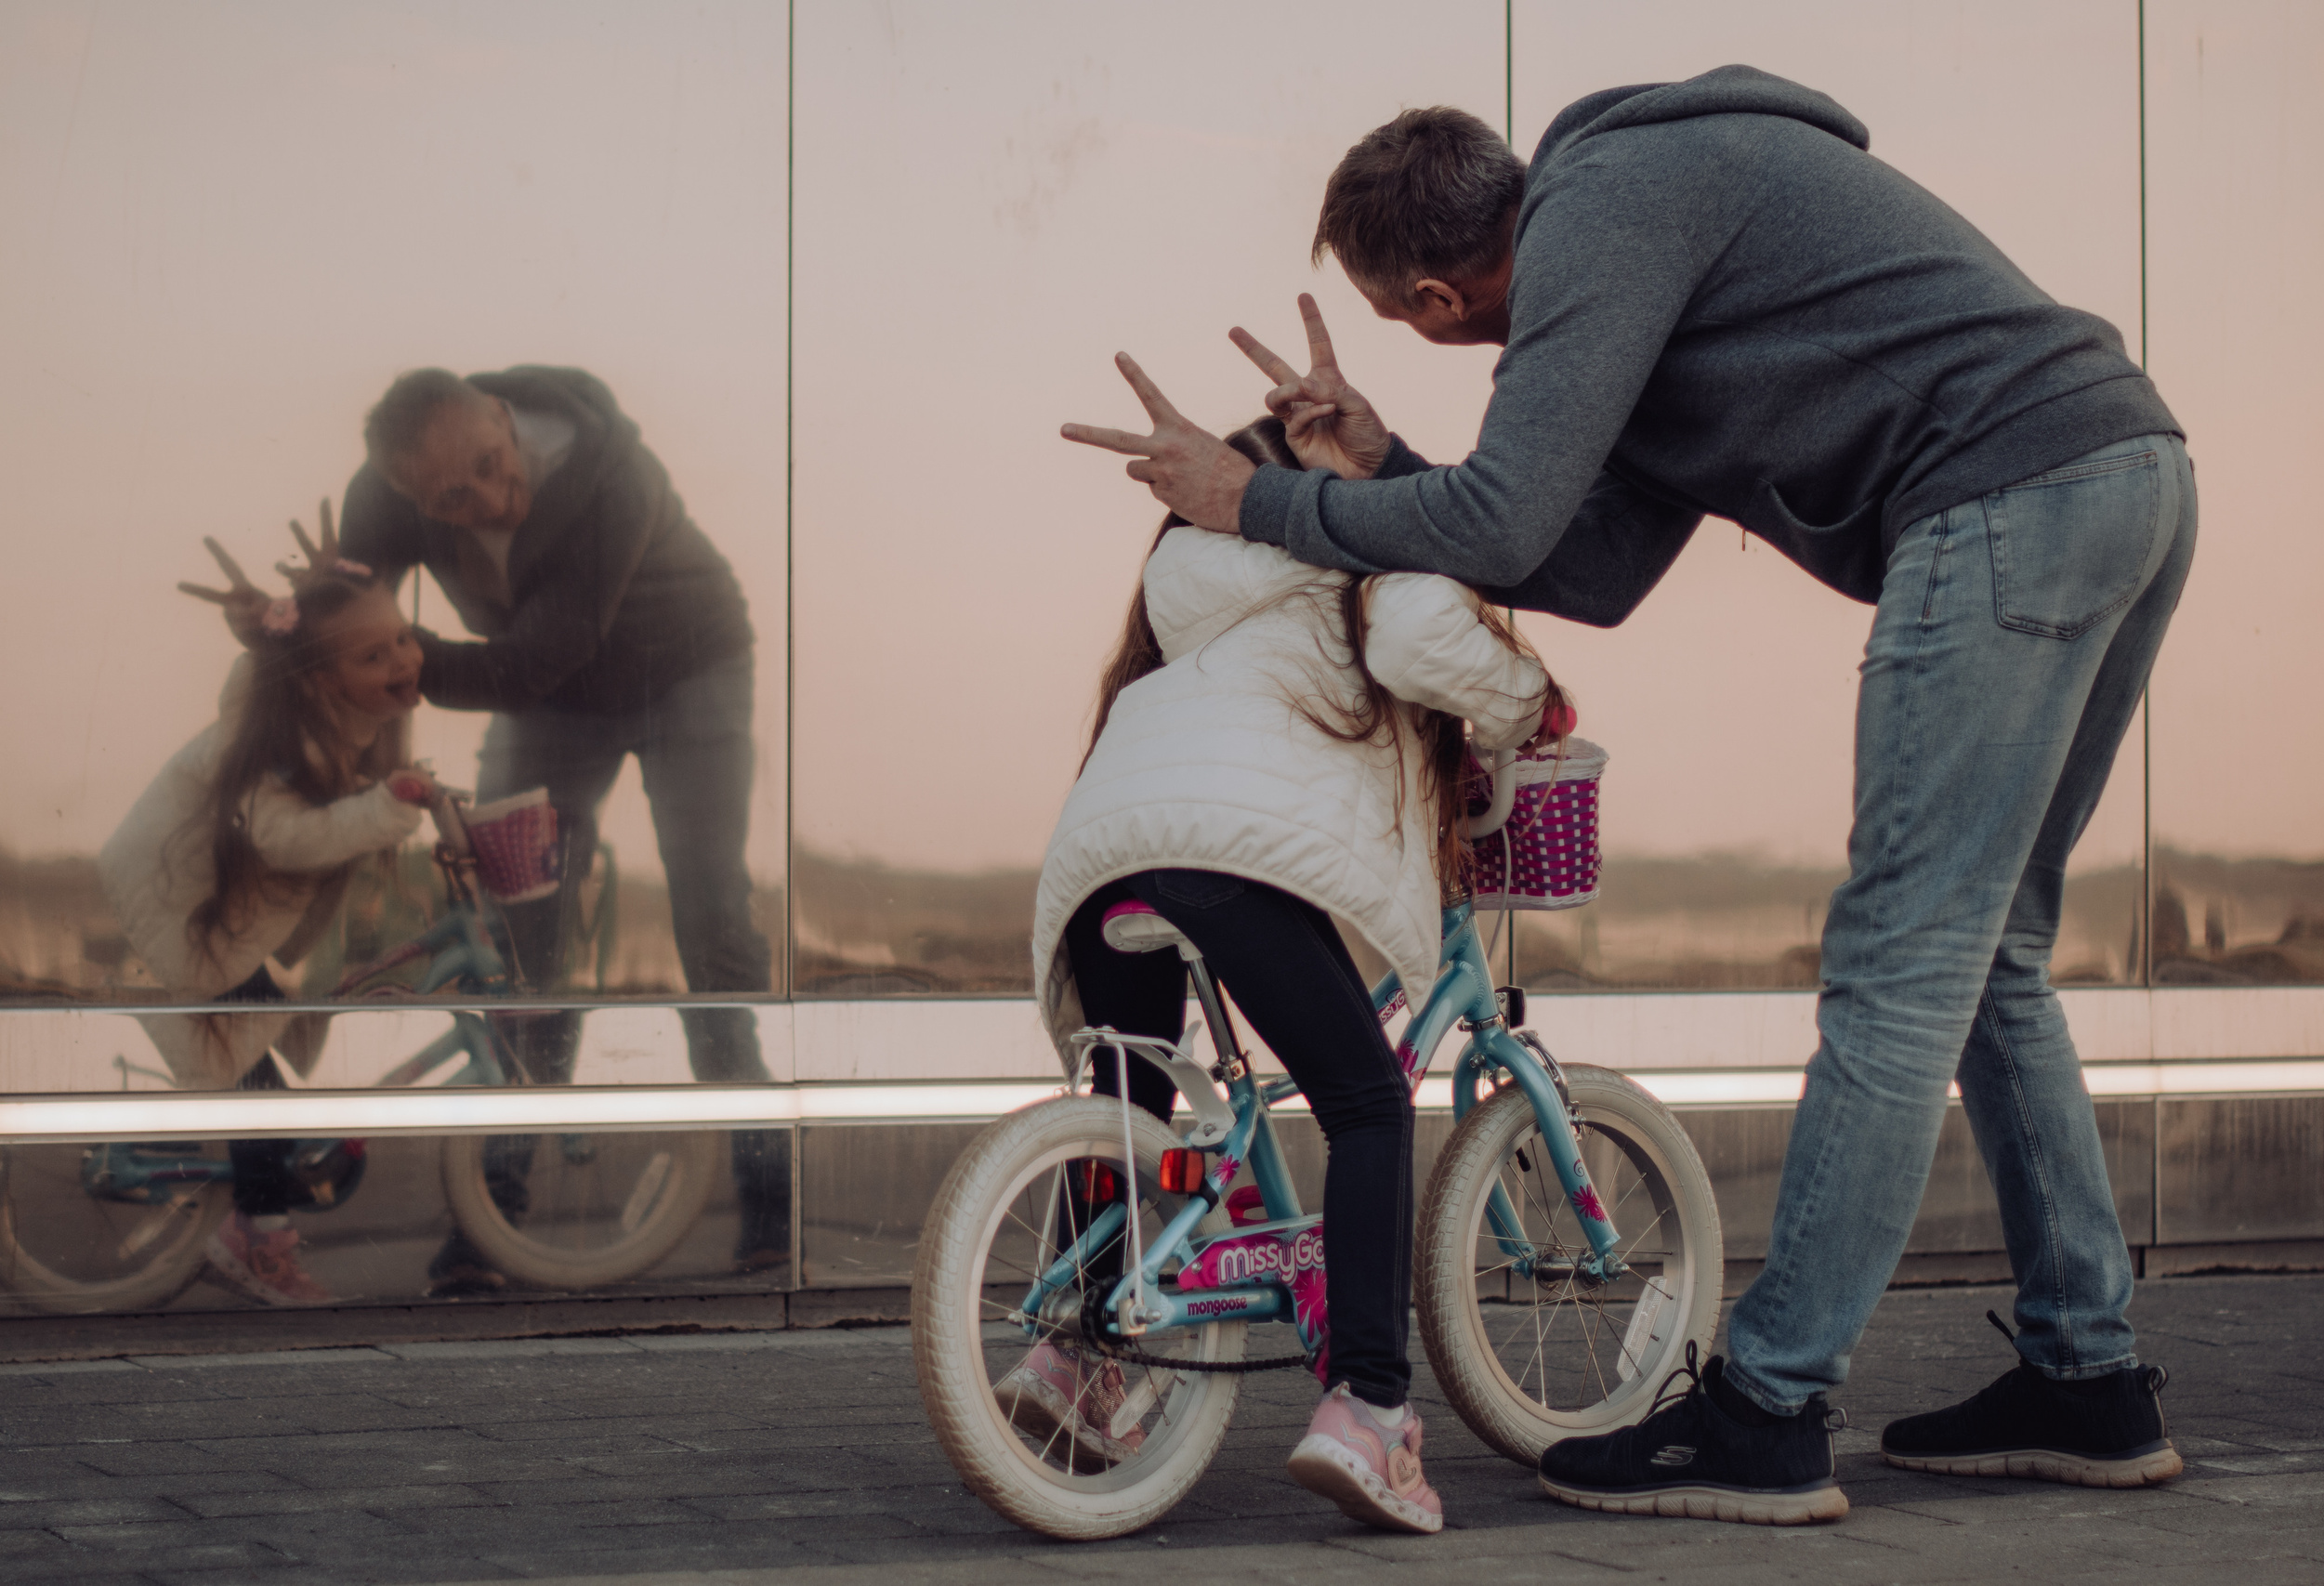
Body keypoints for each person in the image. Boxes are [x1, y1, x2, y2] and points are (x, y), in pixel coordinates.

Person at [1063, 67, 2191, 1525]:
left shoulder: (1602, 211)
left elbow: (1505, 518)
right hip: (2122, 471)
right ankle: (2085, 1374)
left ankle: (1770, 1406)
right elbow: (1581, 565)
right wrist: (1387, 463)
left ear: (1427, 295)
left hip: (2004, 499)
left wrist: (1255, 499)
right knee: (1994, 958)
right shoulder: (1647, 266)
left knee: (1900, 967)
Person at [1030, 416, 1567, 1534]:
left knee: (1129, 1099)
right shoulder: (1361, 566)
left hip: (1101, 855)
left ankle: (1073, 1358)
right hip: (1222, 856)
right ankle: (1368, 1408)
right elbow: (1425, 635)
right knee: (1367, 1102)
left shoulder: (1182, 597)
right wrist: (1530, 701)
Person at [333, 366, 788, 1291]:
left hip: (684, 671)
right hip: (548, 699)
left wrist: (400, 665)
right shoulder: (382, 501)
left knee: (711, 918)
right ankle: (493, 1215)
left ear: (502, 417)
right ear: (409, 495)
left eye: (495, 467)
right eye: (453, 499)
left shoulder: (616, 474)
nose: (494, 501)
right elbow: (348, 624)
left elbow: (540, 653)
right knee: (517, 936)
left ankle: (768, 1195)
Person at [106, 533, 433, 1304]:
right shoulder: (284, 742)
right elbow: (286, 837)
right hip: (176, 900)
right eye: (373, 657)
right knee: (261, 1090)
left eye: (403, 638)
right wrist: (386, 808)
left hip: (201, 905)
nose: (402, 660)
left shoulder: (328, 715)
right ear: (321, 678)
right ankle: (253, 1238)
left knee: (259, 1069)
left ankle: (257, 1197)